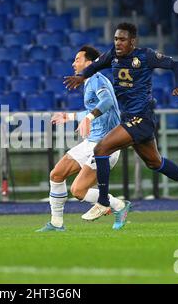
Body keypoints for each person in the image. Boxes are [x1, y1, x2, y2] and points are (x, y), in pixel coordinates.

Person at [64, 23, 178, 230]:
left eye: (122, 39)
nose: (118, 43)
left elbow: (176, 65)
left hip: (142, 118)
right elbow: (94, 66)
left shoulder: (146, 56)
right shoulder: (112, 55)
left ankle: (103, 202)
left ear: (133, 41)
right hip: (130, 118)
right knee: (154, 162)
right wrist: (81, 76)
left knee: (101, 149)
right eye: (115, 39)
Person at [36, 45, 127, 232]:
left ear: (90, 63)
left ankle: (119, 206)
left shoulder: (97, 79)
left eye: (77, 59)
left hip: (106, 145)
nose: (73, 63)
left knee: (78, 191)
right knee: (56, 174)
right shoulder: (88, 82)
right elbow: (93, 109)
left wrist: (89, 118)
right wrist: (69, 117)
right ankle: (56, 223)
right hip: (92, 142)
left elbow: (108, 102)